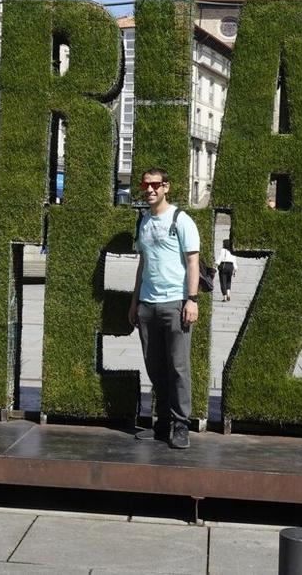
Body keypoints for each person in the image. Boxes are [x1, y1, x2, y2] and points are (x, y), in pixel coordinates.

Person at [128, 167, 200, 450]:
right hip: (148, 305)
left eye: (155, 185)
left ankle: (181, 424)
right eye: (145, 185)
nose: (149, 190)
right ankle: (163, 422)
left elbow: (193, 261)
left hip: (175, 304)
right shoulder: (143, 221)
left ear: (166, 187)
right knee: (155, 367)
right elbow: (143, 263)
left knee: (179, 367)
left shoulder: (181, 220)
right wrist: (134, 302)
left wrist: (191, 299)